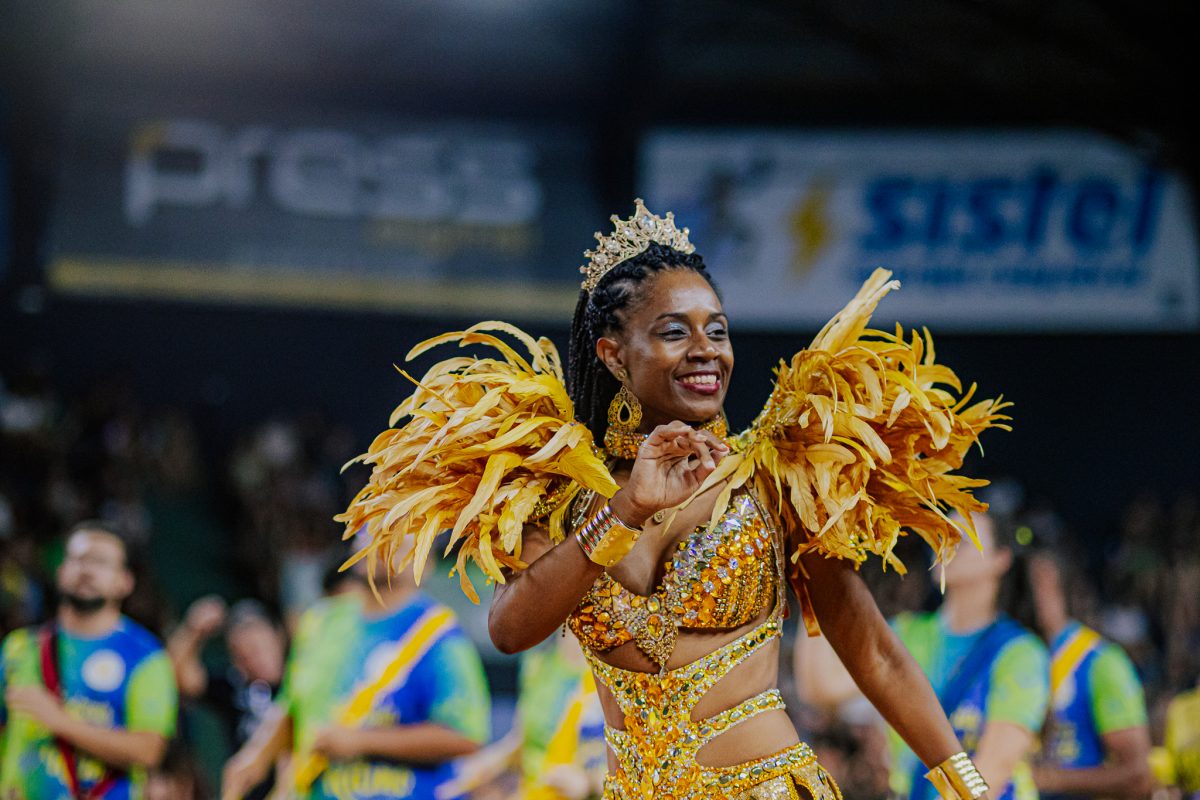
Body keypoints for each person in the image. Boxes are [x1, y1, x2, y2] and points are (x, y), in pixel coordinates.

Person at [339, 199, 1012, 800]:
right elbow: (510, 630)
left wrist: (969, 787)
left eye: (717, 330)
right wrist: (626, 509)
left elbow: (873, 651)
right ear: (613, 354)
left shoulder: (778, 474)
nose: (705, 351)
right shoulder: (554, 489)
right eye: (674, 332)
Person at [219, 535, 491, 800]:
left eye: (396, 536)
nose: (379, 543)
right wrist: (256, 756)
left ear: (425, 561)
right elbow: (292, 704)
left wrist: (362, 741)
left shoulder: (440, 634)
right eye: (370, 531)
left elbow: (465, 735)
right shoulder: (320, 622)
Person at [0, 521, 179, 799]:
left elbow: (148, 751)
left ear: (125, 581)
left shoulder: (146, 657)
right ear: (61, 572)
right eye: (78, 559)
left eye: (101, 562)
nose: (87, 570)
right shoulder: (20, 647)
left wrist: (58, 720)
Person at [888, 513, 1050, 800]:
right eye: (940, 535)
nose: (945, 546)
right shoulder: (906, 632)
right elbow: (822, 687)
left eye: (960, 540)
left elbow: (992, 769)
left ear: (1001, 558)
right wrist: (827, 558)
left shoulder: (1020, 652)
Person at [1026, 549, 1153, 800]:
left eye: (1041, 584)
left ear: (1065, 589)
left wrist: (1044, 779)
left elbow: (1138, 776)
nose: (1031, 595)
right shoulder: (1003, 656)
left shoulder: (1100, 662)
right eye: (1025, 584)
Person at [168, 596, 286, 799]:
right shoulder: (235, 687)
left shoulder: (302, 678)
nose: (255, 660)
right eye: (244, 656)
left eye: (259, 648)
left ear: (278, 638)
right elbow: (180, 679)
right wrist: (194, 630)